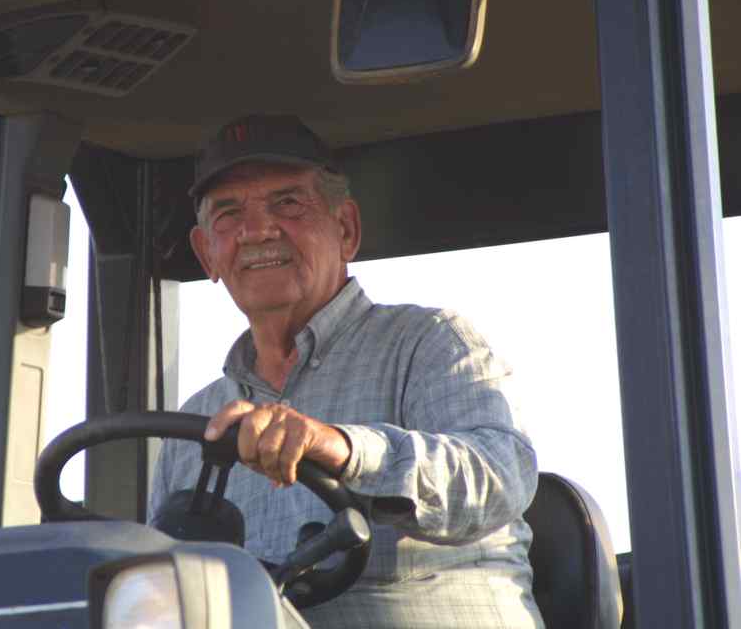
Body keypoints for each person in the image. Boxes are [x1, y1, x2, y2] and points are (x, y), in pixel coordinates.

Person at [147, 114, 545, 628]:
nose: (258, 230)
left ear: (346, 229)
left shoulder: (429, 343)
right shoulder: (195, 425)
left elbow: (501, 474)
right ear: (208, 253)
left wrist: (344, 448)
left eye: (287, 203)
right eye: (228, 213)